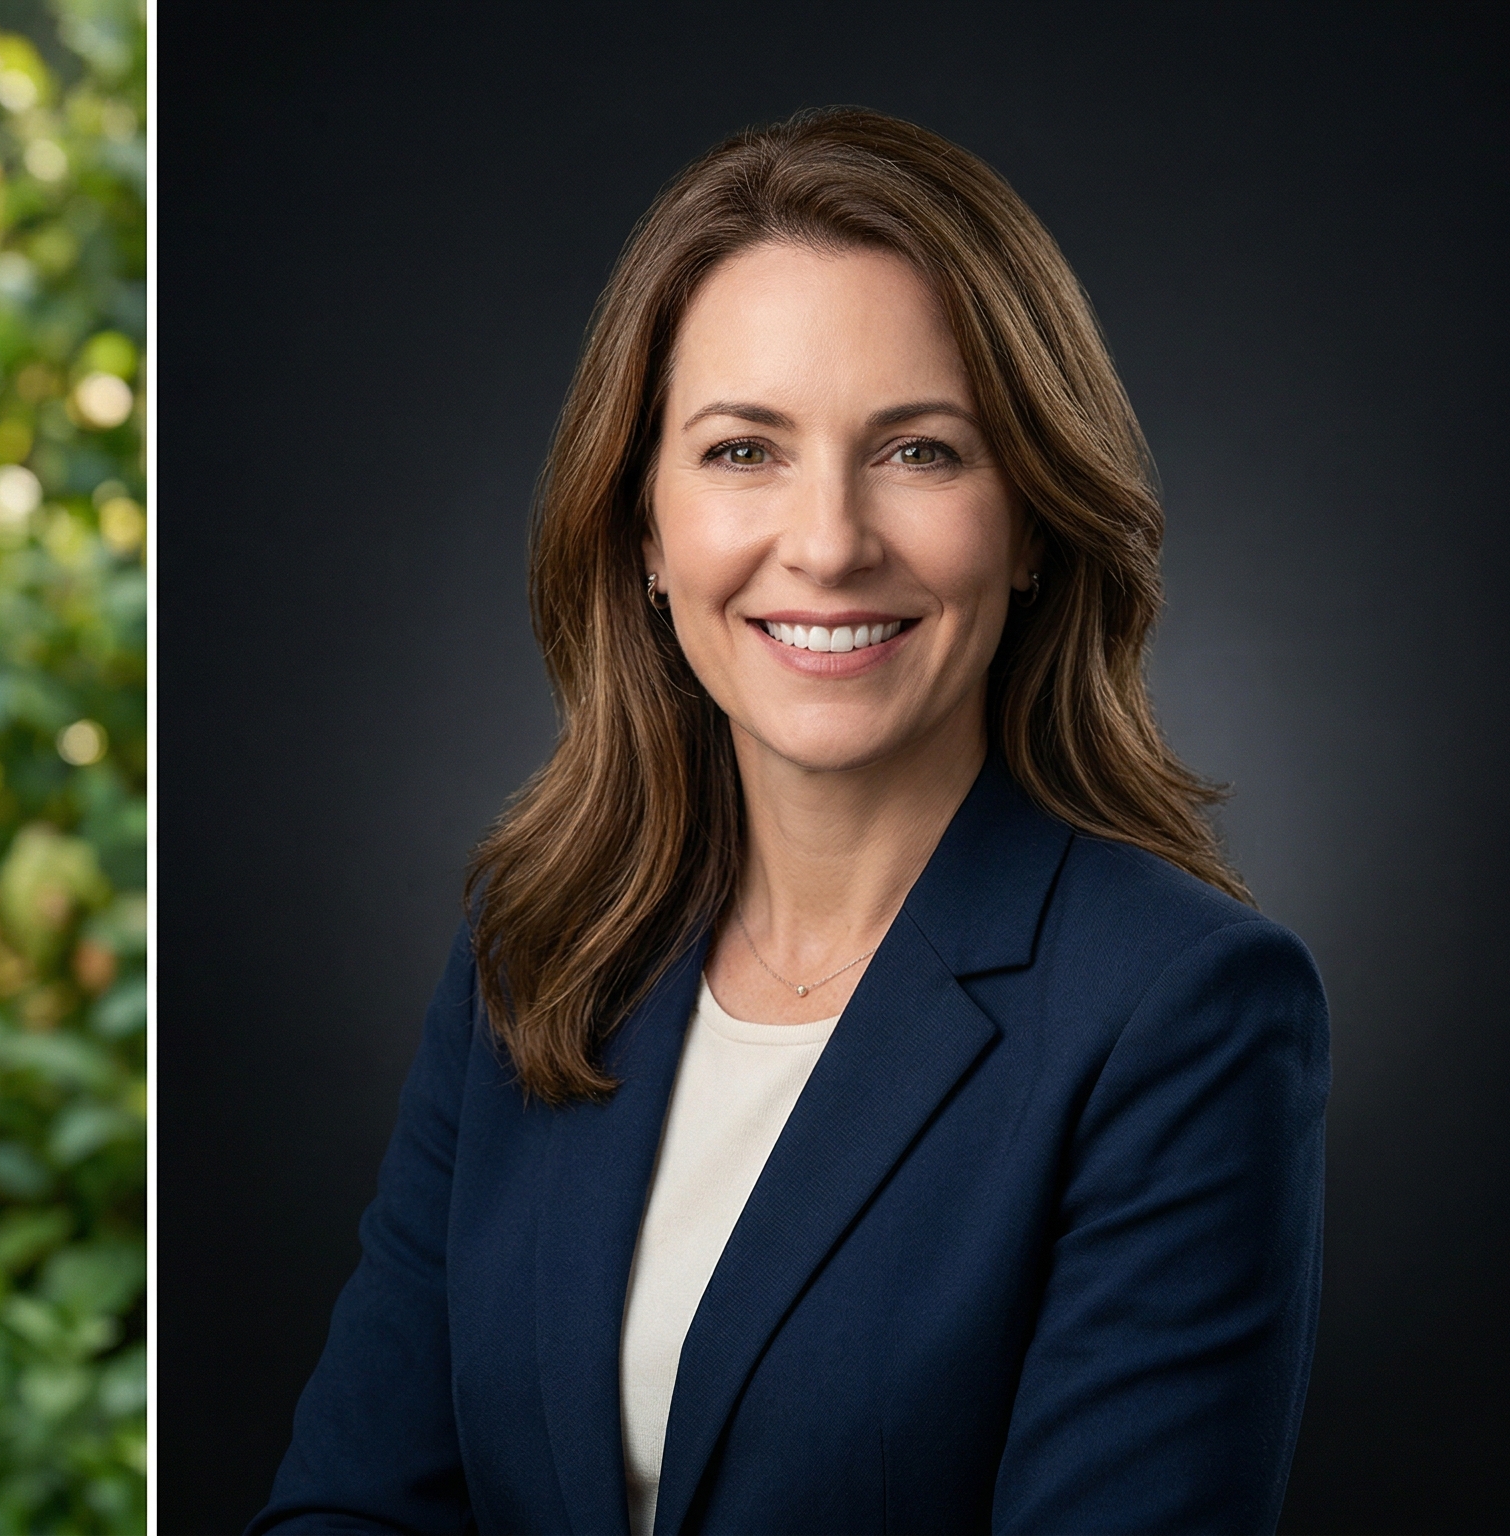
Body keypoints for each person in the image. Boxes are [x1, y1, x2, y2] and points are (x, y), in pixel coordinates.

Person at [253, 107, 1328, 1535]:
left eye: (923, 453)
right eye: (744, 451)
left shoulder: (1184, 1014)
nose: (826, 542)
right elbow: (353, 1507)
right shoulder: (538, 952)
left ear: (1031, 525)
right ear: (642, 525)